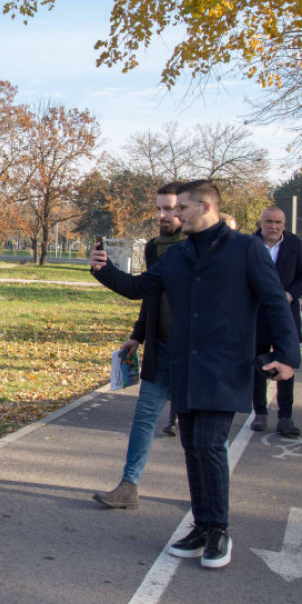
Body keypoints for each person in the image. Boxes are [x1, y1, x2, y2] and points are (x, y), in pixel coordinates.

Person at [90, 179, 300, 569]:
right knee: (192, 448)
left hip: (225, 366)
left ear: (205, 207)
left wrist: (287, 355)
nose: (172, 216)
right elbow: (139, 288)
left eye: (179, 209)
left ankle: (219, 530)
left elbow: (275, 302)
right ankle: (203, 526)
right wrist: (104, 270)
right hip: (184, 364)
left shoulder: (246, 248)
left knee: (208, 445)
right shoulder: (179, 255)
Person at [93, 183, 185, 510]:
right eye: (159, 208)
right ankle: (128, 487)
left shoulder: (195, 249)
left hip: (192, 354)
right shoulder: (154, 247)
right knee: (144, 418)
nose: (163, 215)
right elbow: (149, 294)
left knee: (199, 431)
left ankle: (211, 495)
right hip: (159, 348)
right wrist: (138, 335)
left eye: (170, 209)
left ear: (186, 208)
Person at [250, 206, 302, 436]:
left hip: (285, 314)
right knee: (258, 364)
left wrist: (290, 294)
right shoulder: (248, 244)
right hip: (256, 314)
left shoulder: (296, 246)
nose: (273, 226)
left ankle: (285, 417)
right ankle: (260, 413)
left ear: (284, 224)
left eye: (278, 222)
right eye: (269, 222)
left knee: (285, 364)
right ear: (261, 222)